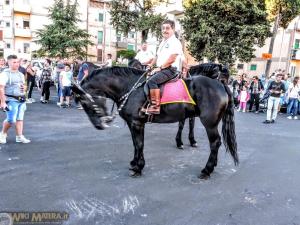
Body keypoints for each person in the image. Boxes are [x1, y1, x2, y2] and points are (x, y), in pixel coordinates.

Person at [143, 19, 184, 114]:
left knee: (152, 81)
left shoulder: (175, 42)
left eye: (167, 28)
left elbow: (172, 58)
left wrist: (160, 68)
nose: (165, 30)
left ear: (173, 29)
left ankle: (155, 107)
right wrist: (151, 65)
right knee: (146, 78)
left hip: (170, 70)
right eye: (163, 28)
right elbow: (156, 56)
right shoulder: (163, 42)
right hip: (162, 68)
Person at [0, 54, 31, 144]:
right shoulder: (4, 74)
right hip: (11, 100)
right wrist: (3, 102)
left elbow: (24, 86)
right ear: (8, 63)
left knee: (20, 119)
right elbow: (1, 88)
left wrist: (24, 88)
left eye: (17, 62)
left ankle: (19, 136)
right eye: (14, 62)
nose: (16, 64)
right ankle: (3, 134)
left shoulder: (20, 74)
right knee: (11, 120)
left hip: (21, 99)